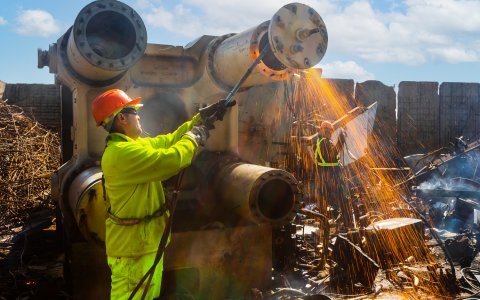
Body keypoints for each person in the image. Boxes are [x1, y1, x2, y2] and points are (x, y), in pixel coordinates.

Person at [91, 89, 234, 299]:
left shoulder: (133, 145)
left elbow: (169, 141)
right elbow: (172, 160)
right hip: (133, 253)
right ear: (121, 118)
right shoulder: (121, 154)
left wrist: (199, 119)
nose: (139, 116)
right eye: (135, 112)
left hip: (143, 246)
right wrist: (194, 138)